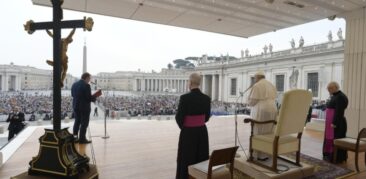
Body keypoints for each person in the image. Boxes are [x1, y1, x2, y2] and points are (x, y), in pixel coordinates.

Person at [175, 73, 211, 179]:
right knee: (201, 156)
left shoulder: (184, 98)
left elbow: (179, 118)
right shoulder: (206, 98)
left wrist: (186, 127)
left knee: (187, 158)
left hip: (188, 133)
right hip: (202, 132)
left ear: (190, 83)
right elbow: (207, 117)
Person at [247, 71, 277, 161]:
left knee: (258, 131)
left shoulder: (257, 85)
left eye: (254, 78)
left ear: (257, 77)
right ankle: (267, 153)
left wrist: (248, 100)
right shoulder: (271, 85)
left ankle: (258, 154)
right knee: (268, 131)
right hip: (273, 109)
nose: (254, 80)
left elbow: (252, 102)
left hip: (261, 110)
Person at [323, 81, 348, 163]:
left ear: (336, 87)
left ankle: (337, 158)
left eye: (330, 88)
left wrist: (334, 123)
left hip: (337, 124)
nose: (328, 90)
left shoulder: (340, 97)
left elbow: (339, 111)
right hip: (331, 124)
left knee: (336, 140)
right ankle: (329, 155)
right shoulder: (335, 95)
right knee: (330, 139)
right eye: (328, 88)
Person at [71, 72, 99, 144]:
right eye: (89, 78)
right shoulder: (87, 86)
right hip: (84, 108)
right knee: (84, 123)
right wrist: (95, 97)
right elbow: (88, 98)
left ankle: (75, 138)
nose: (89, 80)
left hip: (76, 106)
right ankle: (82, 139)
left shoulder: (74, 84)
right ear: (86, 78)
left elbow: (72, 95)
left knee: (77, 122)